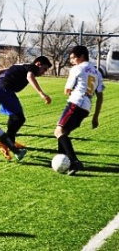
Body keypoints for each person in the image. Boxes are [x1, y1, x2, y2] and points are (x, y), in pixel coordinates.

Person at [0, 56, 52, 160]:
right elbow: (30, 76)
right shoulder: (32, 67)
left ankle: (11, 143)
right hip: (4, 90)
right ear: (38, 64)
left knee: (15, 117)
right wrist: (41, 93)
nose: (43, 72)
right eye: (44, 69)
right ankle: (4, 143)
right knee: (19, 118)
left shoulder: (23, 65)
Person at [54, 45, 104, 175]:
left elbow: (67, 90)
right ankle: (62, 159)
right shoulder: (97, 72)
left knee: (59, 131)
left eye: (73, 58)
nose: (71, 61)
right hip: (86, 107)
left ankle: (74, 161)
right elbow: (100, 97)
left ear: (81, 56)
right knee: (64, 132)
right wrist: (95, 117)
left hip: (76, 102)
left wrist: (72, 89)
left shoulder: (77, 68)